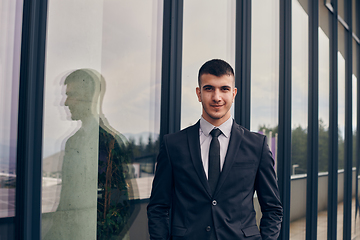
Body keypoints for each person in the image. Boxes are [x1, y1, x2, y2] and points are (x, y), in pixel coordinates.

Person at [147, 59, 283, 240]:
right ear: (198, 93)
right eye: (209, 88)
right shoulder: (173, 145)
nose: (217, 97)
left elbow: (273, 208)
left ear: (234, 93)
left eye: (224, 89)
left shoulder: (257, 145)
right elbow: (158, 207)